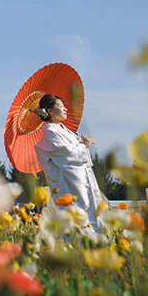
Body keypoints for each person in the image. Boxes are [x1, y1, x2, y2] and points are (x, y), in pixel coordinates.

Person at [34, 93, 105, 227]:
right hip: (69, 182)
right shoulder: (50, 133)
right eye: (60, 106)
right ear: (50, 111)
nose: (65, 109)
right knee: (77, 215)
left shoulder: (66, 131)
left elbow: (76, 151)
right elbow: (67, 154)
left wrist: (81, 142)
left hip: (83, 177)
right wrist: (83, 146)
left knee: (92, 211)